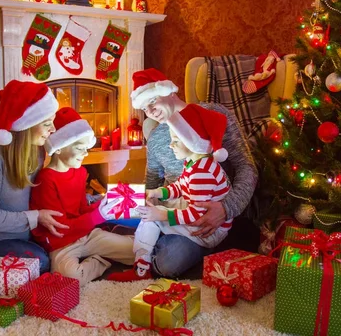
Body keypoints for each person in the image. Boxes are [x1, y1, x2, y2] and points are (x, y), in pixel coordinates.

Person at [130, 68, 257, 278]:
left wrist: (226, 208)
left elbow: (247, 168)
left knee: (168, 261)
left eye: (153, 101)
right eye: (144, 108)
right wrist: (148, 198)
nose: (150, 111)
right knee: (113, 206)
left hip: (204, 220)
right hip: (172, 206)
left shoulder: (212, 115)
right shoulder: (156, 137)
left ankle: (141, 246)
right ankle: (140, 241)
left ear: (169, 91)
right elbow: (151, 182)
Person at [109, 104, 231, 281]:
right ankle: (113, 220)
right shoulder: (193, 163)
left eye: (176, 140)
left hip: (207, 229)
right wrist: (156, 192)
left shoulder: (201, 172)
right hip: (192, 217)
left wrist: (161, 215)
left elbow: (196, 214)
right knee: (134, 206)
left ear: (192, 141)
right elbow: (180, 186)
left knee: (150, 219)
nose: (171, 145)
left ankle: (141, 268)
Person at [0, 80, 68, 274]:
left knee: (68, 247)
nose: (52, 129)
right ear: (26, 126)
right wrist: (36, 217)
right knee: (42, 262)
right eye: (46, 124)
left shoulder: (37, 152)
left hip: (23, 234)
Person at [30, 107, 135, 284]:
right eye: (80, 148)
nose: (86, 154)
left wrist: (103, 203)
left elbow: (81, 210)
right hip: (60, 243)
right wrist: (98, 216)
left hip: (85, 234)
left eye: (87, 148)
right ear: (58, 148)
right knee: (70, 277)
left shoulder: (79, 173)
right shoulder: (46, 179)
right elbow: (59, 228)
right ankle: (102, 260)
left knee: (137, 251)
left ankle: (106, 251)